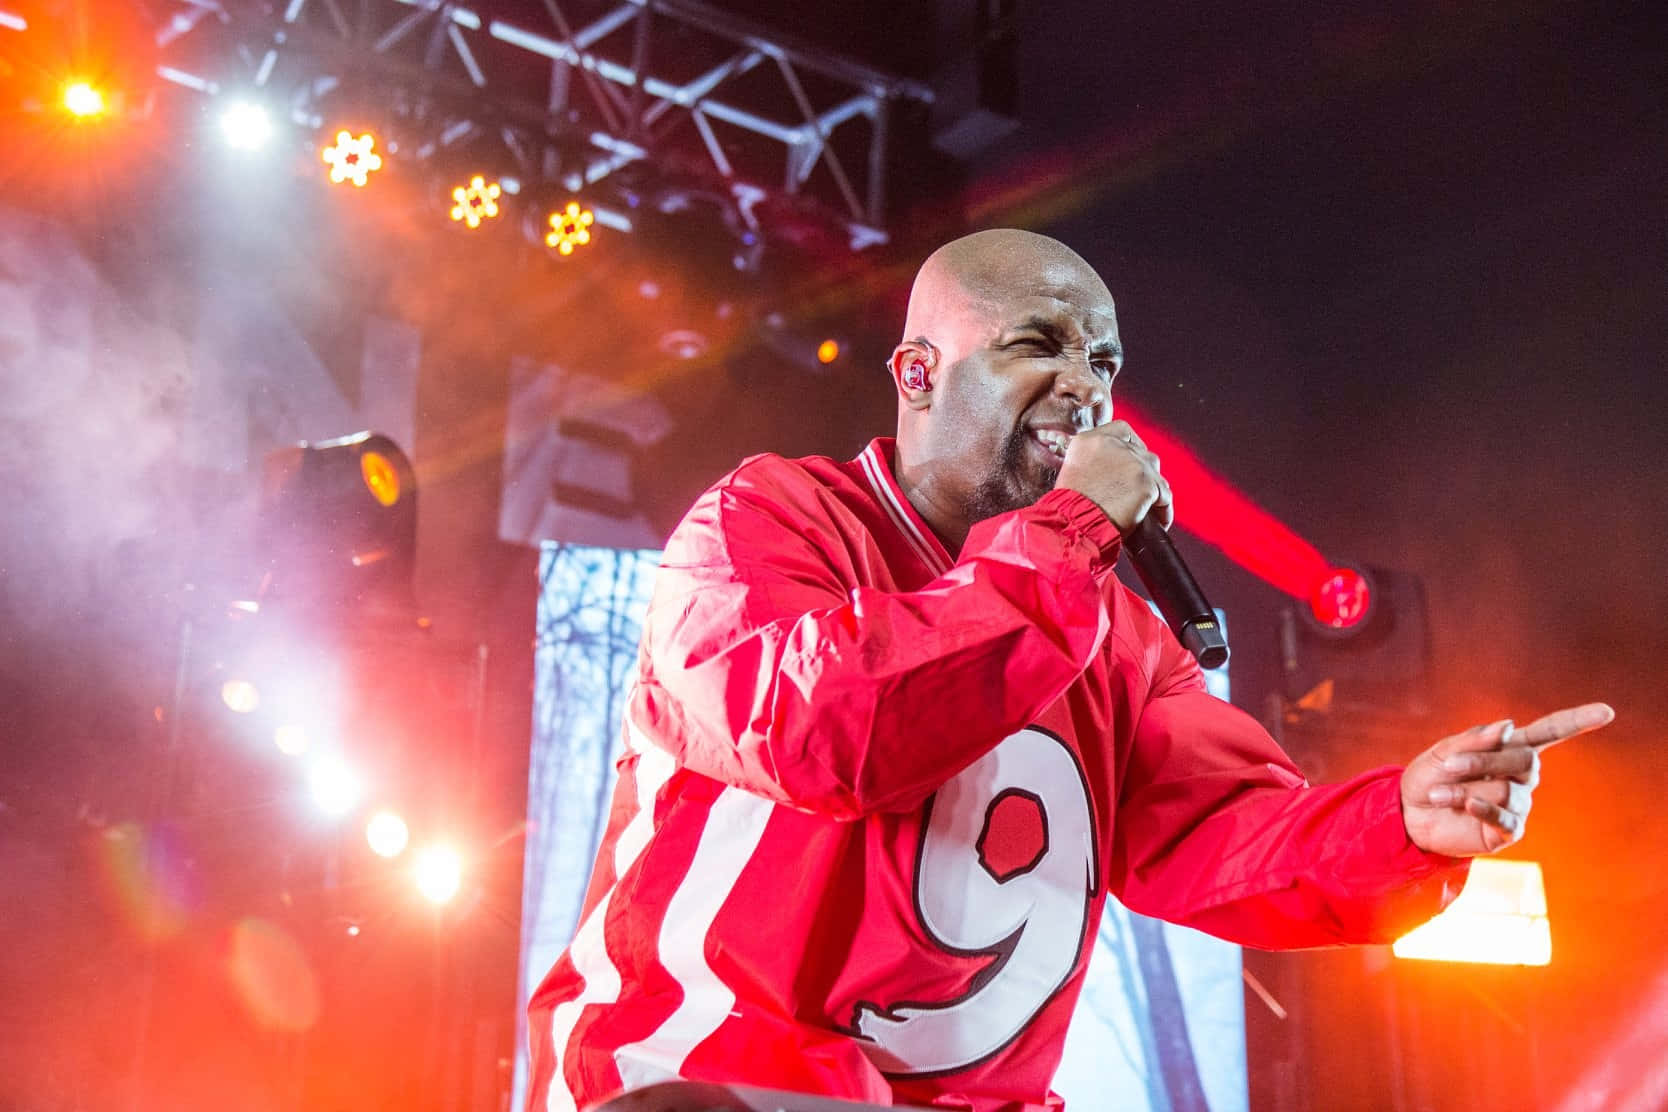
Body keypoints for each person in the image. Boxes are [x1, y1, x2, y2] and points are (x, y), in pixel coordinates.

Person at [525, 229, 1612, 1112]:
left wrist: (1401, 821)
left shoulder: (1117, 632)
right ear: (917, 374)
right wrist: (1076, 527)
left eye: (1105, 361)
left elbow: (1224, 833)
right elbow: (820, 727)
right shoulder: (766, 520)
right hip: (713, 1081)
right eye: (1038, 344)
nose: (1085, 388)